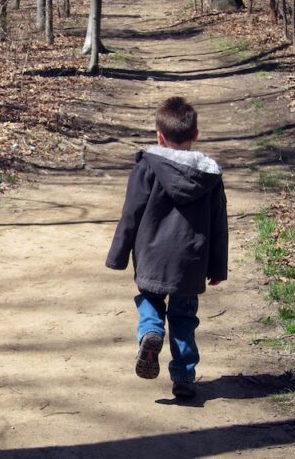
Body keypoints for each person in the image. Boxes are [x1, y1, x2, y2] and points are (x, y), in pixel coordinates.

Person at [106, 96, 228, 399]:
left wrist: (118, 255)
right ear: (196, 136)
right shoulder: (209, 176)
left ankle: (151, 331)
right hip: (191, 261)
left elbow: (131, 212)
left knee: (149, 298)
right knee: (185, 317)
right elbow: (218, 224)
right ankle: (184, 377)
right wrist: (217, 267)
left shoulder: (148, 166)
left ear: (159, 136)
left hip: (151, 256)